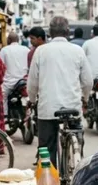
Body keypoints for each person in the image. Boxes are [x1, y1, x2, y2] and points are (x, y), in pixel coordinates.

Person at [27, 16, 92, 166]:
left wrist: (32, 100)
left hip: (47, 109)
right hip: (72, 107)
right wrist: (86, 98)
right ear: (68, 31)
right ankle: (76, 161)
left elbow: (32, 83)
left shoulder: (40, 51)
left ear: (49, 32)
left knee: (47, 150)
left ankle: (50, 181)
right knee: (78, 141)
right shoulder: (78, 51)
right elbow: (88, 82)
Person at [0, 32, 31, 113]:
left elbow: (0, 66)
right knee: (29, 99)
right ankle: (28, 116)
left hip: (9, 83)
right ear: (18, 40)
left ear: (9, 40)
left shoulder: (4, 50)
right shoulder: (26, 49)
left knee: (2, 97)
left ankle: (5, 117)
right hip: (24, 82)